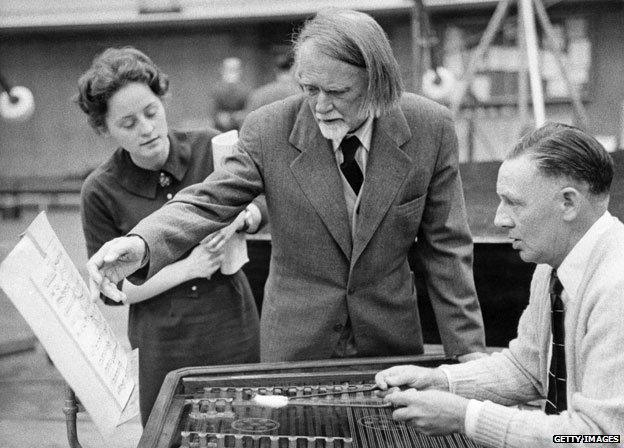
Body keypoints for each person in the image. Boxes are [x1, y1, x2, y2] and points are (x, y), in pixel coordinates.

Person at [86, 9, 486, 363]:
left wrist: (467, 354)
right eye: (309, 89)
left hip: (389, 343)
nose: (320, 107)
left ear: (377, 83)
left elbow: (447, 249)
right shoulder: (268, 128)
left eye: (338, 92)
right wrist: (140, 244)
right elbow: (207, 202)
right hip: (296, 347)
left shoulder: (430, 128)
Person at [375, 123, 624, 446]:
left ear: (568, 203)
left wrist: (466, 417)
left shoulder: (616, 288)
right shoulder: (555, 263)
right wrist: (441, 380)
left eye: (513, 203)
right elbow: (527, 367)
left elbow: (601, 438)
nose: (500, 219)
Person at [76, 47, 264, 425]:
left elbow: (263, 197)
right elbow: (113, 290)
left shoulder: (210, 147)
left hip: (232, 325)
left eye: (151, 112)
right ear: (104, 128)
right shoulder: (99, 190)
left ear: (162, 100)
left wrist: (243, 218)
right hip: (163, 343)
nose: (146, 129)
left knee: (248, 426)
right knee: (172, 432)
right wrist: (188, 268)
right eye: (127, 124)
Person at [212, 57, 250, 132]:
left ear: (240, 71)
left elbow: (249, 111)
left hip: (240, 131)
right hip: (220, 131)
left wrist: (238, 116)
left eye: (234, 69)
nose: (231, 72)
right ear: (222, 70)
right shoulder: (216, 90)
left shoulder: (246, 91)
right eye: (229, 69)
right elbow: (214, 111)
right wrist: (219, 117)